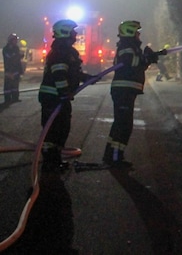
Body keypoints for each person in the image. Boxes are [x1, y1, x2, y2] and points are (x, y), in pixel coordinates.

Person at [103, 20, 163, 166]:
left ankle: (111, 155)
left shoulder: (131, 47)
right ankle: (115, 158)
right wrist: (147, 58)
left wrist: (149, 58)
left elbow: (137, 65)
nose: (139, 34)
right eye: (137, 31)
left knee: (121, 123)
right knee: (123, 125)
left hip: (125, 90)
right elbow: (130, 63)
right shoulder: (127, 47)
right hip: (124, 90)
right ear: (130, 32)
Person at [38, 20, 91, 171]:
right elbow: (59, 75)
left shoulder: (67, 52)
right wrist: (64, 93)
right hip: (53, 98)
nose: (76, 34)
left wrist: (85, 77)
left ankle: (55, 160)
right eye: (73, 31)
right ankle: (50, 163)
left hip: (59, 98)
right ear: (66, 32)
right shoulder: (60, 52)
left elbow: (71, 72)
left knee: (62, 129)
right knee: (52, 131)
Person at [3, 33, 25, 103]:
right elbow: (10, 58)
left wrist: (21, 55)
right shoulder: (6, 49)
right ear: (11, 40)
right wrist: (18, 55)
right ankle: (7, 99)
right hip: (9, 71)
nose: (16, 41)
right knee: (8, 87)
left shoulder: (16, 48)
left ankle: (15, 98)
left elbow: (17, 59)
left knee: (15, 86)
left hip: (16, 71)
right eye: (15, 40)